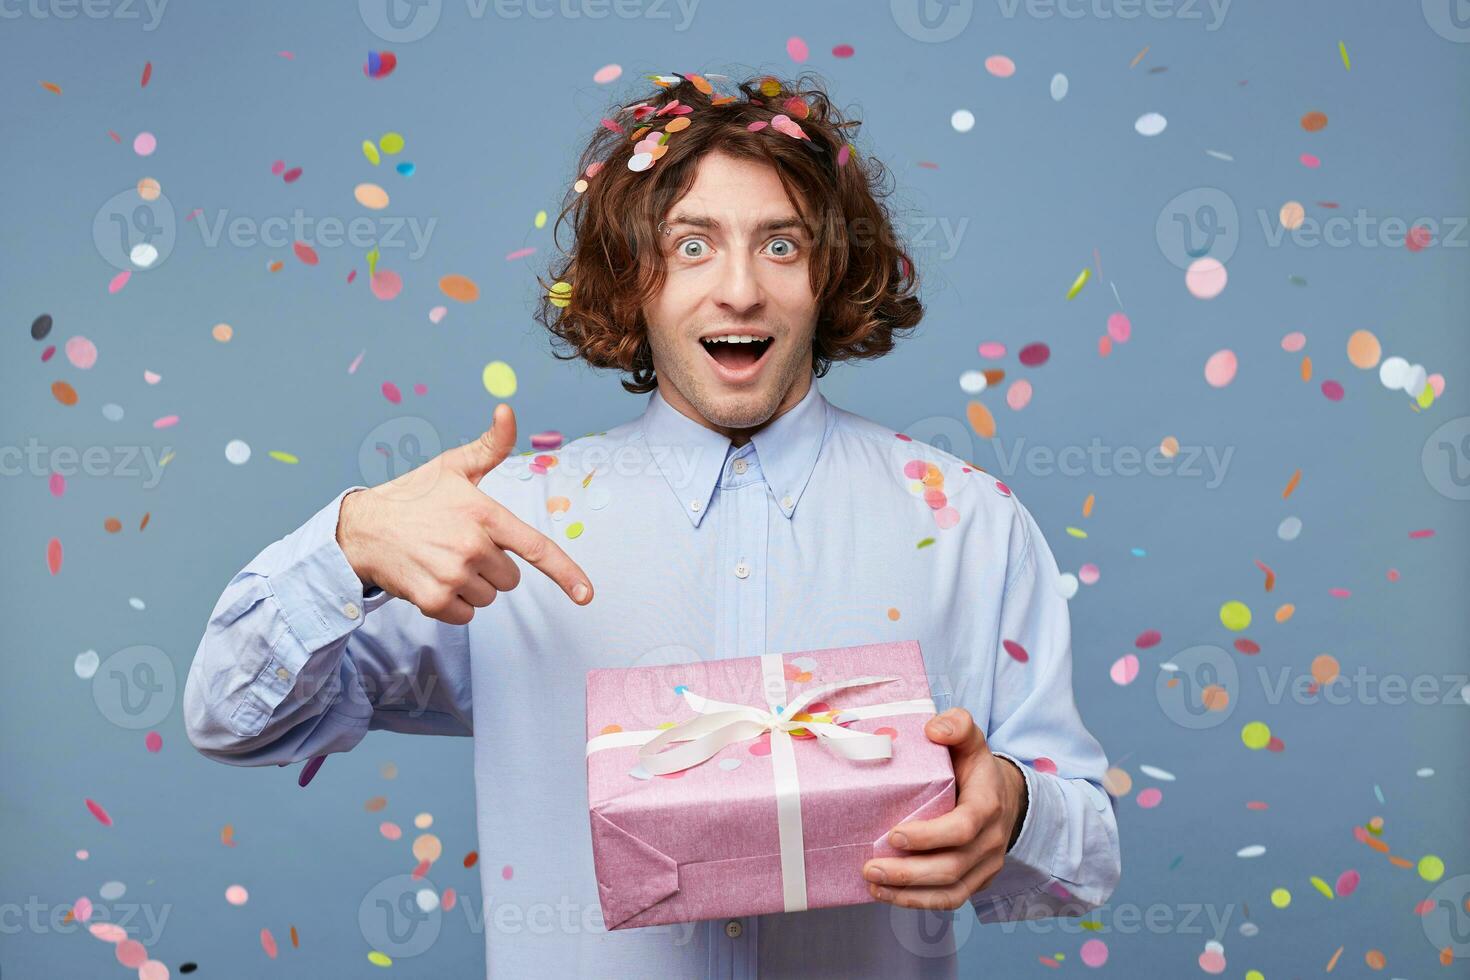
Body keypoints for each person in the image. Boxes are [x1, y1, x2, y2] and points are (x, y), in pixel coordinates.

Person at [184, 71, 1120, 979]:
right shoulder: (506, 525)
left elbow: (1087, 856)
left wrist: (1015, 807)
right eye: (692, 244)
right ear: (632, 279)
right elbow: (232, 720)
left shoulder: (967, 524)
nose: (741, 290)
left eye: (782, 245)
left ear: (830, 272)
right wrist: (343, 547)